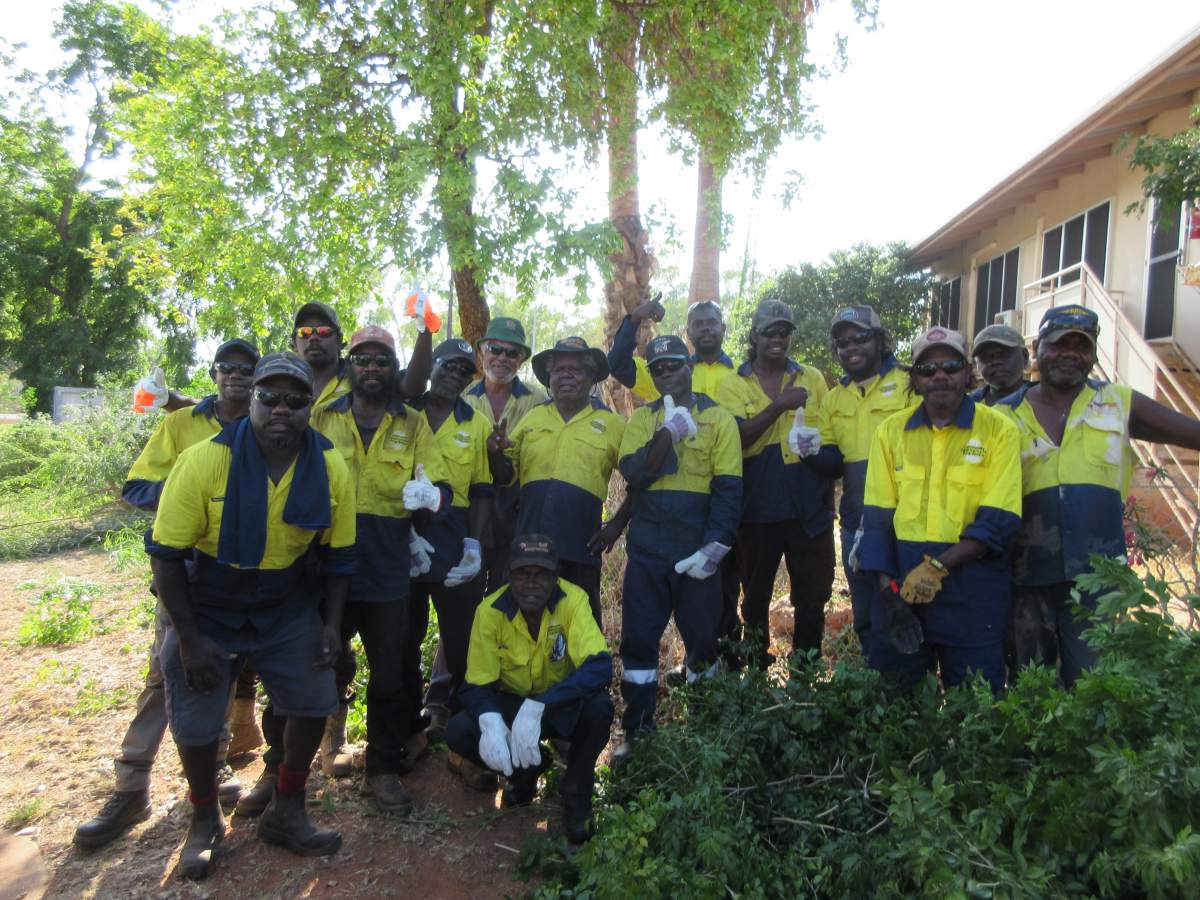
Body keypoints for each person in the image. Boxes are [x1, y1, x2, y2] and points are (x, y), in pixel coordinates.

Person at [146, 352, 355, 879]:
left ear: (311, 406)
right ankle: (203, 816)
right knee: (194, 716)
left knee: (314, 695)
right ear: (252, 398)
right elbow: (167, 555)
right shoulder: (204, 460)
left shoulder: (330, 466)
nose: (281, 408)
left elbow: (339, 559)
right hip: (210, 601)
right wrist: (189, 639)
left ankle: (287, 808)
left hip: (285, 602)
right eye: (270, 396)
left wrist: (331, 626)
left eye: (295, 399)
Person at [74, 340, 261, 851]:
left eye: (248, 370)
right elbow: (136, 487)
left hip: (246, 578)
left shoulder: (268, 428)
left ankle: (215, 766)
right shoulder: (180, 427)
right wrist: (186, 490)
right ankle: (131, 784)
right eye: (228, 369)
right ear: (215, 374)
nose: (238, 378)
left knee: (224, 673)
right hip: (185, 576)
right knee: (166, 673)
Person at [998, 305, 1200, 687]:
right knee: (1030, 683)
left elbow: (1191, 432)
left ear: (1092, 355)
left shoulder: (1119, 403)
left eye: (1082, 346)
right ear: (1039, 348)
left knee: (1092, 683)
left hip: (1097, 578)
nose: (1071, 354)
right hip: (1026, 575)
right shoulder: (1003, 414)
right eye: (1060, 345)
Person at [305, 326, 452, 813]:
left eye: (381, 361)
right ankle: (288, 765)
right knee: (314, 659)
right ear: (350, 367)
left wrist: (431, 496)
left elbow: (440, 484)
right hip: (325, 562)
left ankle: (382, 770)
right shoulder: (323, 417)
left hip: (388, 564)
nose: (371, 369)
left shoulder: (411, 423)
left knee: (392, 670)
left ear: (395, 370)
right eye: (363, 361)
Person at [858, 328, 1021, 692]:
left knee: (976, 706)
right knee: (898, 706)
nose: (940, 375)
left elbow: (999, 521)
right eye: (927, 369)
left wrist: (939, 566)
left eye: (950, 365)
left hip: (973, 590)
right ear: (914, 379)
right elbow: (877, 524)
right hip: (903, 587)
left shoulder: (1000, 432)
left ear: (967, 372)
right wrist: (888, 596)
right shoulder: (890, 433)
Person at [614, 335, 741, 758]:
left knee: (704, 641)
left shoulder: (718, 419)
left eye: (673, 364)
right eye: (658, 368)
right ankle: (637, 732)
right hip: (648, 551)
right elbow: (635, 475)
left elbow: (728, 490)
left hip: (696, 553)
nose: (667, 373)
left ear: (689, 364)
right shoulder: (642, 419)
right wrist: (667, 433)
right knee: (638, 643)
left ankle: (704, 730)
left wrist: (715, 548)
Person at [444, 533, 614, 845]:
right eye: (523, 574)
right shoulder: (490, 611)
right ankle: (524, 773)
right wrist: (491, 720)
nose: (532, 583)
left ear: (555, 576)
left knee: (599, 708)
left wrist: (541, 705)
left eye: (542, 575)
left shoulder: (573, 600)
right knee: (458, 731)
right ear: (509, 576)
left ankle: (576, 794)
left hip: (556, 704)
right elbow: (476, 684)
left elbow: (600, 666)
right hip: (511, 704)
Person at [716, 299, 834, 666]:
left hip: (808, 509)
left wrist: (816, 446)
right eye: (770, 332)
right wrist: (779, 406)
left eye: (784, 332)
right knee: (754, 599)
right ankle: (754, 673)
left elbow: (829, 436)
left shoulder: (812, 378)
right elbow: (737, 439)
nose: (778, 338)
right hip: (757, 511)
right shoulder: (732, 383)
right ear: (754, 334)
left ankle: (806, 675)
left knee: (812, 597)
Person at [404, 338, 495, 790]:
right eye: (448, 365)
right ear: (431, 365)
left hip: (454, 538)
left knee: (462, 644)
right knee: (401, 639)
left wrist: (474, 546)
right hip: (402, 538)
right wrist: (402, 531)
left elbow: (481, 489)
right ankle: (407, 733)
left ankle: (463, 744)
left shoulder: (475, 423)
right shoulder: (402, 410)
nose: (455, 375)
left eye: (464, 371)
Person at [797, 306, 913, 659]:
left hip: (908, 524)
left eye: (860, 337)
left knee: (912, 607)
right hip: (857, 526)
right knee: (867, 616)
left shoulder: (911, 384)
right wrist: (810, 451)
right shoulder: (835, 398)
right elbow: (834, 465)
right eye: (842, 342)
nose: (851, 347)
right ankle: (876, 691)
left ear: (880, 340)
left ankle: (916, 699)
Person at [488, 337, 624, 625]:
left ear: (590, 378)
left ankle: (588, 671)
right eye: (559, 369)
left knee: (581, 620)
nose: (566, 375)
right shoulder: (534, 417)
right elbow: (506, 474)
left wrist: (616, 525)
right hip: (529, 542)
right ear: (549, 378)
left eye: (575, 370)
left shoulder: (611, 424)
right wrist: (496, 454)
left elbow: (639, 478)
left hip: (581, 545)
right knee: (526, 620)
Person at [463, 317, 548, 591]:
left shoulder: (539, 402)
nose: (502, 358)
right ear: (482, 352)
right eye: (495, 349)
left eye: (512, 353)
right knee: (463, 596)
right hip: (468, 510)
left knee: (507, 595)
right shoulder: (462, 398)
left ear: (521, 359)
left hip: (516, 513)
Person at [970, 323, 1029, 406]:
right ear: (977, 364)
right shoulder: (965, 407)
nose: (995, 361)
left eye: (1004, 354)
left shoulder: (1045, 404)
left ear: (1025, 356)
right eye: (986, 356)